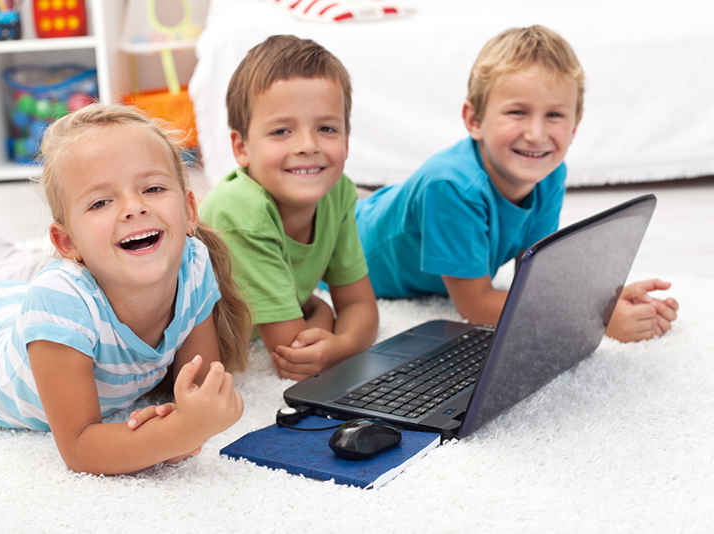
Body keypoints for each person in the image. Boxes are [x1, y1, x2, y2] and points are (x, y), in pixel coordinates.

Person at [0, 104, 251, 475]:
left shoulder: (194, 262)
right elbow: (81, 447)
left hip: (6, 310)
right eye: (101, 201)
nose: (134, 207)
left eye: (153, 188)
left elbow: (200, 384)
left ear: (190, 210)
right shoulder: (59, 301)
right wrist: (177, 432)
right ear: (67, 242)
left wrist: (193, 410)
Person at [354, 25, 679, 342]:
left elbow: (536, 277)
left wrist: (604, 299)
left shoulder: (549, 173)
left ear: (576, 124)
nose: (536, 135)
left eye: (554, 115)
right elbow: (475, 304)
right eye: (517, 112)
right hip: (349, 243)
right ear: (474, 120)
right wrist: (592, 318)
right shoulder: (451, 188)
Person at [199, 35, 379, 381]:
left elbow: (361, 306)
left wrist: (341, 345)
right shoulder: (241, 209)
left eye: (326, 128)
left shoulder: (338, 191)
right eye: (282, 131)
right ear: (241, 147)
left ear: (346, 139)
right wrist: (322, 311)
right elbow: (292, 351)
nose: (308, 145)